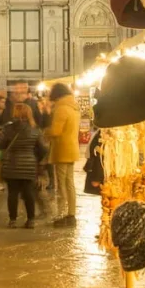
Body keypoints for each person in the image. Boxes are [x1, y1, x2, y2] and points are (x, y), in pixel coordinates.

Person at [0, 103, 46, 229]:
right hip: (29, 166)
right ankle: (30, 220)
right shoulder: (35, 129)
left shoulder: (8, 129)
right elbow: (43, 149)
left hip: (11, 165)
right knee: (29, 193)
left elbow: (0, 145)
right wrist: (36, 160)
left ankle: (12, 220)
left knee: (12, 193)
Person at [45, 82, 80, 228]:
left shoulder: (61, 108)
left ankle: (63, 214)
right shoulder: (73, 107)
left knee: (61, 184)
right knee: (69, 183)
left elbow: (55, 131)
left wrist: (45, 132)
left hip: (62, 149)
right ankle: (71, 214)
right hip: (72, 148)